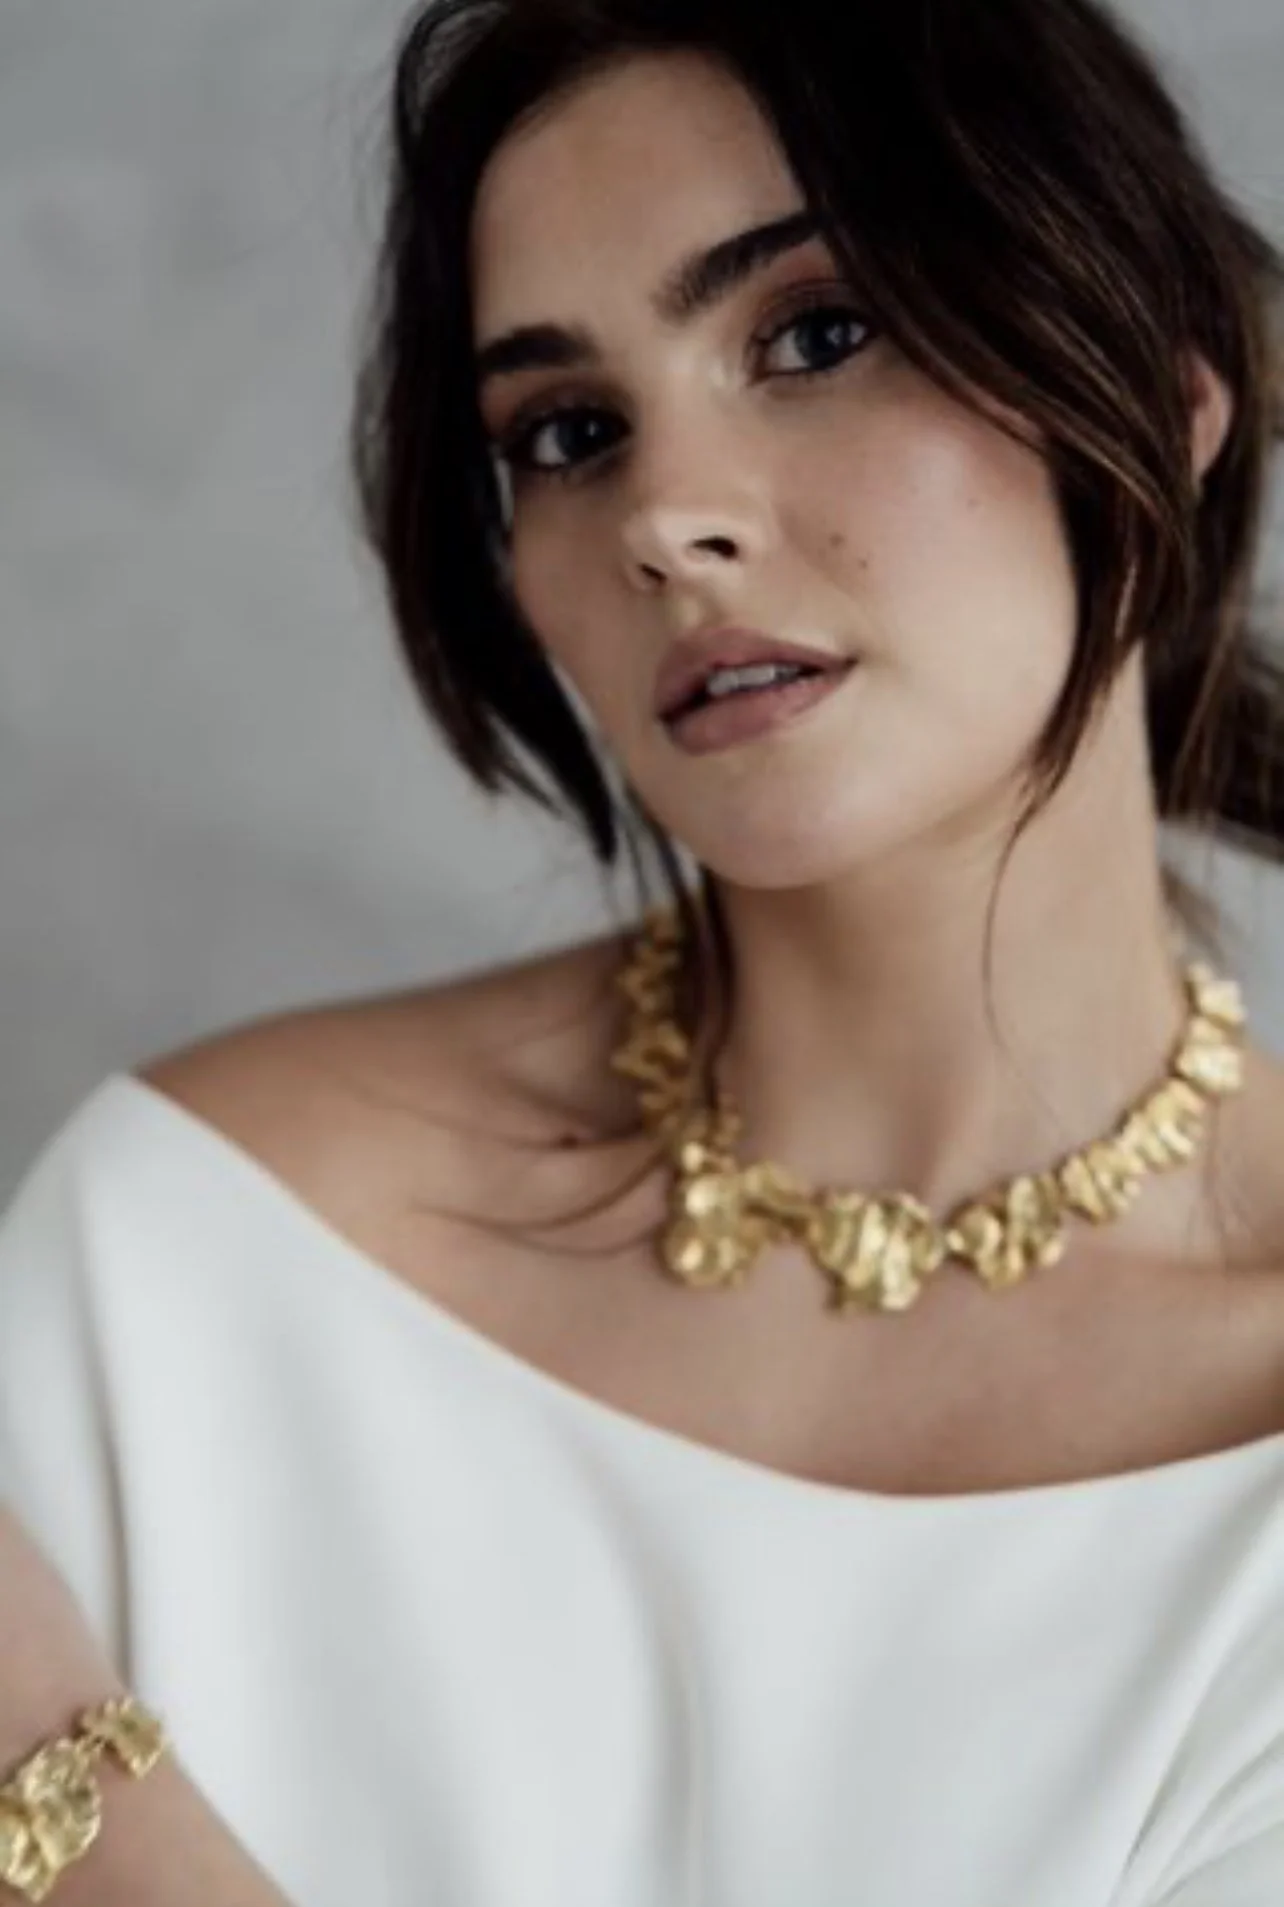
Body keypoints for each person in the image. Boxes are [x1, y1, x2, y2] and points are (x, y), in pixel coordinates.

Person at [2, 0, 1284, 1899]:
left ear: (1168, 393)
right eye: (569, 430)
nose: (668, 521)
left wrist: (41, 1752)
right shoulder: (202, 1243)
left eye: (817, 333)